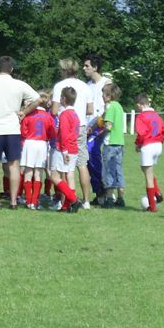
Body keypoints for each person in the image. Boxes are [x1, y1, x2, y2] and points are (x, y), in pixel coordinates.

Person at [0, 55, 42, 209]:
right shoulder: (19, 84)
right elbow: (38, 99)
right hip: (12, 129)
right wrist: (24, 111)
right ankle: (13, 201)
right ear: (11, 69)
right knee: (14, 166)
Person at [51, 58, 94, 208]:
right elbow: (90, 110)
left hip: (65, 125)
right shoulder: (85, 86)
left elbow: (55, 110)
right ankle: (87, 200)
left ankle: (66, 201)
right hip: (80, 125)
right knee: (82, 164)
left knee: (64, 166)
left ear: (64, 70)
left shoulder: (59, 86)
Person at [48, 87, 83, 213]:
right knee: (70, 176)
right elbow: (76, 133)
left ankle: (73, 199)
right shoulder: (75, 115)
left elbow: (63, 134)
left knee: (54, 176)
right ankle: (66, 206)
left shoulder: (64, 114)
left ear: (63, 99)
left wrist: (64, 150)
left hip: (63, 148)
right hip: (74, 148)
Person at [83, 54, 112, 206]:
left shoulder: (106, 83)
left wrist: (94, 126)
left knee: (93, 154)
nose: (84, 68)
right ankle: (99, 192)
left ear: (95, 67)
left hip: (100, 127)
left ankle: (104, 191)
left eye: (87, 66)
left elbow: (109, 109)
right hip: (88, 128)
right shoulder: (87, 86)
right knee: (87, 159)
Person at [20, 91, 56, 209]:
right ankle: (35, 201)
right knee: (38, 173)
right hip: (42, 144)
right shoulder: (49, 117)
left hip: (29, 143)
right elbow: (52, 134)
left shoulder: (28, 115)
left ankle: (28, 200)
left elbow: (23, 132)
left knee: (28, 172)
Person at [134, 93, 164, 212]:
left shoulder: (141, 116)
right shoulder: (156, 116)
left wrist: (138, 144)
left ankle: (152, 206)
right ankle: (157, 192)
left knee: (148, 175)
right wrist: (159, 142)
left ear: (139, 105)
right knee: (145, 169)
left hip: (148, 145)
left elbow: (141, 134)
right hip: (158, 145)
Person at [100, 84, 126, 208]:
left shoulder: (110, 107)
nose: (102, 96)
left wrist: (102, 128)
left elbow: (109, 126)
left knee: (108, 170)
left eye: (103, 94)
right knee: (118, 169)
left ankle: (109, 198)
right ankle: (121, 197)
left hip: (110, 143)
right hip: (120, 142)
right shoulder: (120, 107)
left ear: (109, 96)